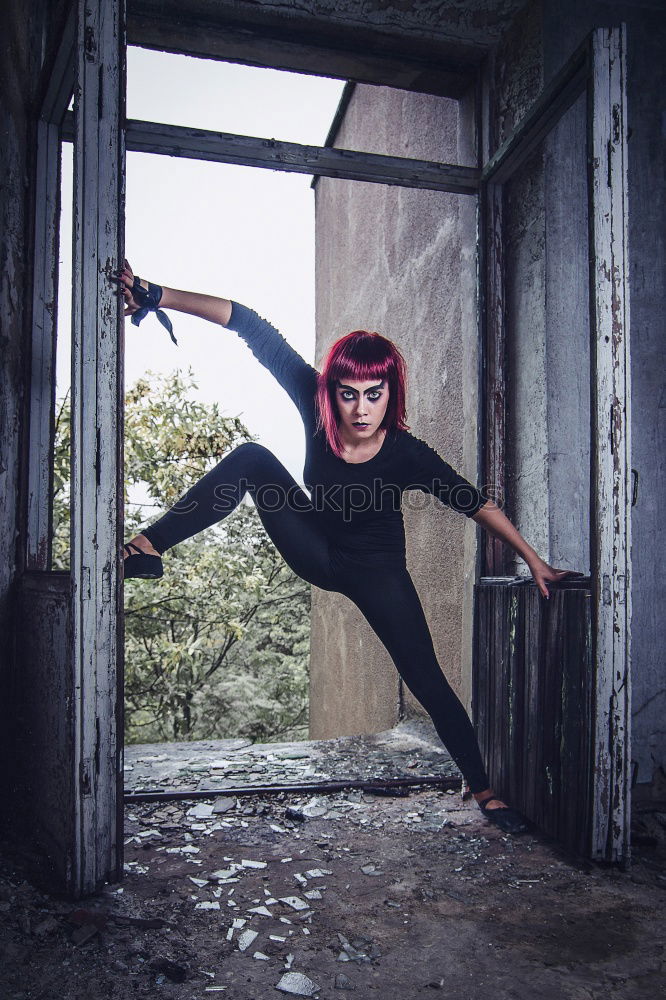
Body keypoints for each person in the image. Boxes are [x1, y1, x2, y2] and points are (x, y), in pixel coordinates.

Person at [111, 261, 580, 835]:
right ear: (331, 390)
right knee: (253, 459)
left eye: (374, 395)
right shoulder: (313, 400)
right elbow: (248, 324)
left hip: (377, 572)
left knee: (426, 677)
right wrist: (157, 295)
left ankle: (483, 789)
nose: (360, 409)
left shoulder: (407, 453)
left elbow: (475, 502)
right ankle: (145, 548)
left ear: (390, 394)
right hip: (315, 545)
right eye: (348, 393)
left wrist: (534, 560)